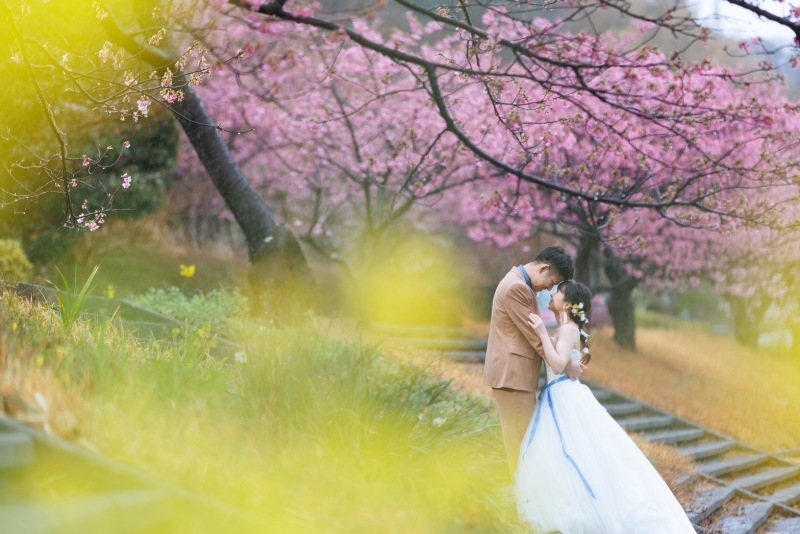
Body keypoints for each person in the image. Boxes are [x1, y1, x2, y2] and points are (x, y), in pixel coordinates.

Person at [515, 281, 695, 533]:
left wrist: (542, 333)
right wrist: (566, 360)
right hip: (562, 393)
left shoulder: (566, 330)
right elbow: (564, 364)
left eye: (557, 292)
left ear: (567, 303)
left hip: (563, 397)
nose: (552, 294)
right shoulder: (566, 329)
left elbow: (556, 365)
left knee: (570, 454)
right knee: (573, 455)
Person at [483, 247, 584, 474]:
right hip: (512, 377)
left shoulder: (518, 284)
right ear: (544, 268)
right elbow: (535, 336)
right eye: (552, 282)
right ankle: (523, 504)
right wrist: (568, 364)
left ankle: (526, 502)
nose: (549, 289)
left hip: (515, 377)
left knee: (525, 445)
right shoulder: (516, 288)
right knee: (522, 447)